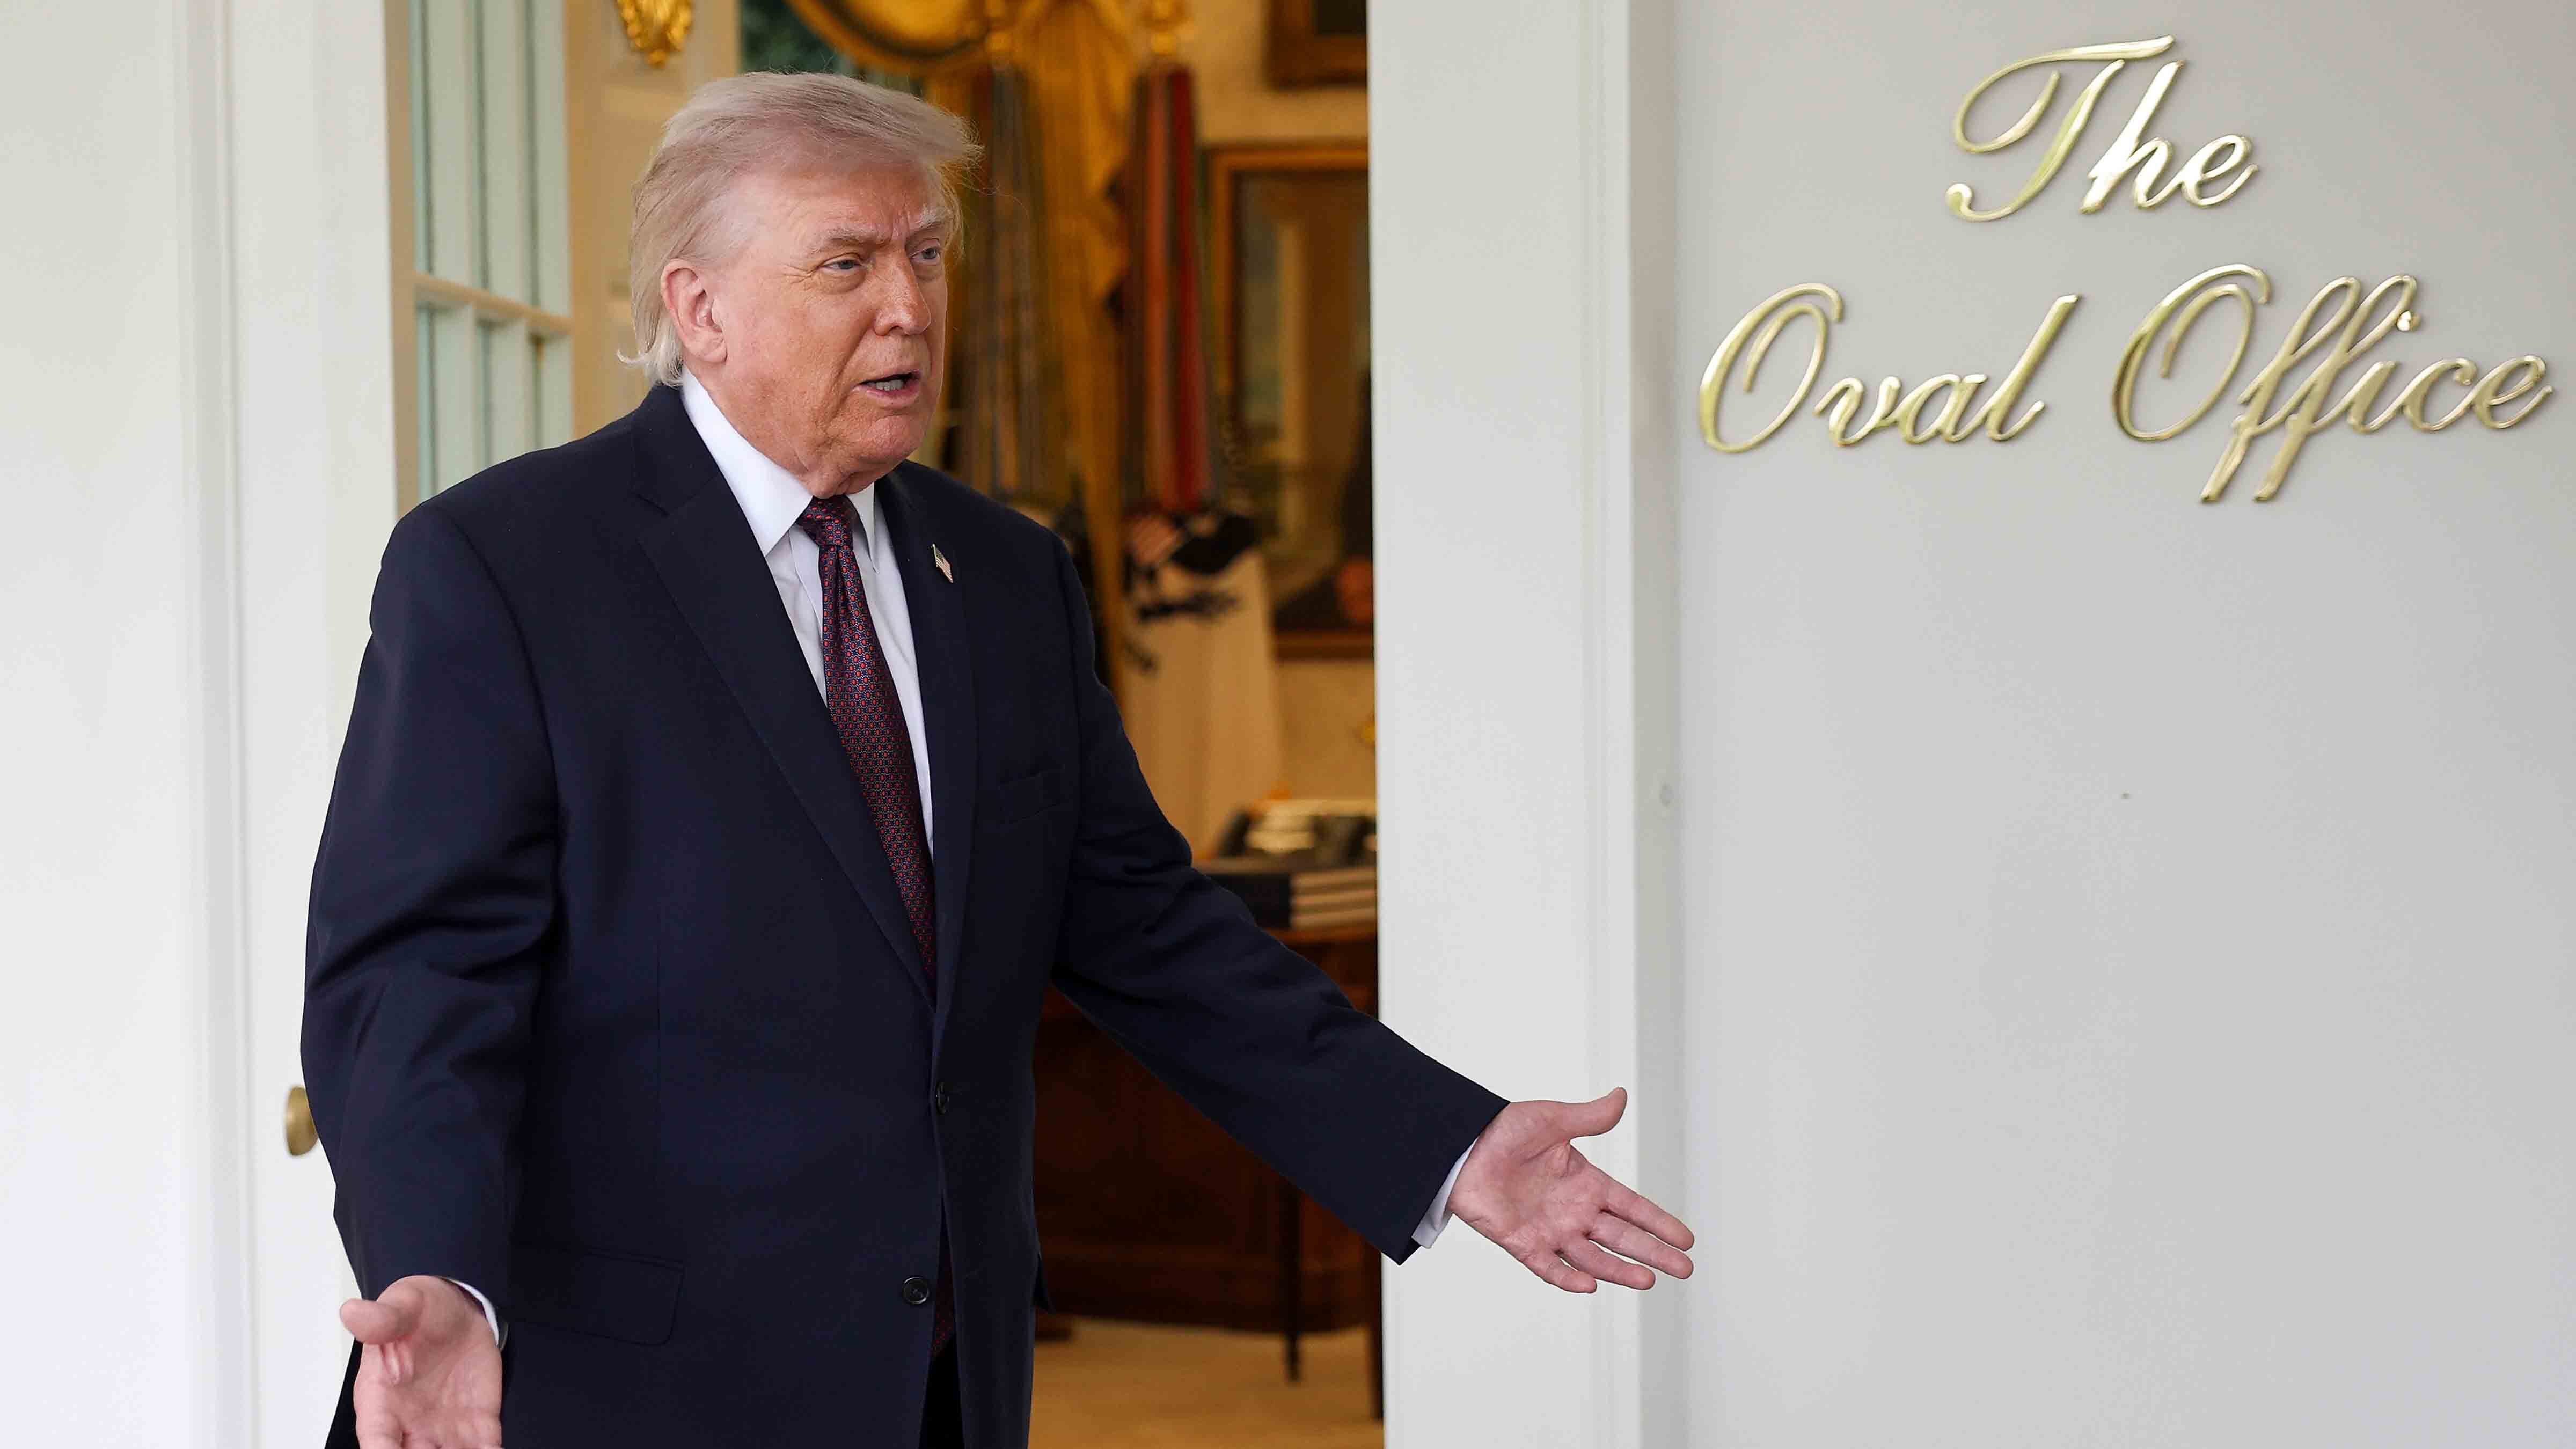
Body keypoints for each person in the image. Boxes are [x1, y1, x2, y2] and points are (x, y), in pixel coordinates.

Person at [302, 73, 1693, 1449]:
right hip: (630, 1394)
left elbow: (1154, 932)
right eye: (846, 262)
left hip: (942, 1384)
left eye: (925, 253)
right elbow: (416, 979)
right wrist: (436, 1265)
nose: (907, 305)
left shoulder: (1011, 575)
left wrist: (1444, 1146)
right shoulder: (506, 567)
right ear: (699, 308)